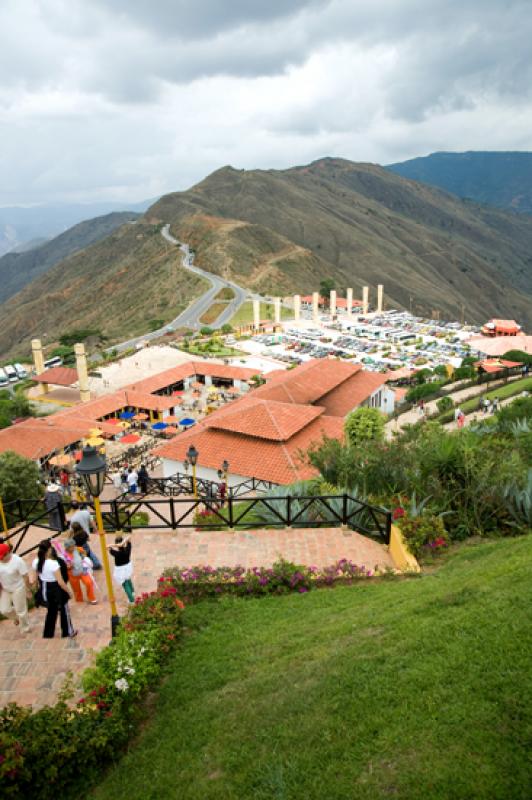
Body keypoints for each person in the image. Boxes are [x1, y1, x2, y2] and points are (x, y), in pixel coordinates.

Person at [32, 540, 76, 639]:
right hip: (56, 589)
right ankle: (68, 632)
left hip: (44, 588)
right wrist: (69, 591)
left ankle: (48, 633)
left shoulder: (36, 561)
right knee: (64, 611)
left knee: (51, 611)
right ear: (49, 550)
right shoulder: (53, 564)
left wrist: (35, 590)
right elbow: (60, 582)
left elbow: (35, 579)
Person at [0, 543, 33, 634]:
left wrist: (28, 590)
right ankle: (16, 618)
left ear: (8, 553)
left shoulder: (17, 561)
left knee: (21, 610)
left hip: (18, 588)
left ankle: (25, 628)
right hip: (5, 589)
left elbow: (25, 576)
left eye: (2, 557)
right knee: (4, 610)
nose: (1, 559)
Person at [62, 538, 97, 604]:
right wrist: (69, 566)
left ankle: (91, 598)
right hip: (72, 574)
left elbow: (84, 552)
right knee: (76, 589)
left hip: (82, 571)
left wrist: (83, 556)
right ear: (67, 548)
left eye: (74, 545)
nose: (73, 547)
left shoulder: (77, 549)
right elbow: (63, 566)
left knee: (89, 582)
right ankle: (79, 600)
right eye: (71, 547)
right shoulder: (63, 555)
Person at [69, 503, 102, 570]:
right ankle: (96, 563)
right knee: (88, 551)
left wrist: (69, 539)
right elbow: (92, 522)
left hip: (77, 539)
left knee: (81, 553)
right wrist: (95, 530)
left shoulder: (73, 518)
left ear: (72, 508)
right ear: (78, 506)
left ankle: (86, 565)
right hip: (85, 535)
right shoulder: (86, 512)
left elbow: (71, 531)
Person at [109, 535, 135, 603]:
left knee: (125, 584)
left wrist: (116, 545)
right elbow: (129, 538)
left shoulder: (116, 553)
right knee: (128, 579)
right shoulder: (128, 549)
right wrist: (123, 542)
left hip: (120, 570)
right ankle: (133, 592)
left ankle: (131, 600)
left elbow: (108, 547)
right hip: (128, 568)